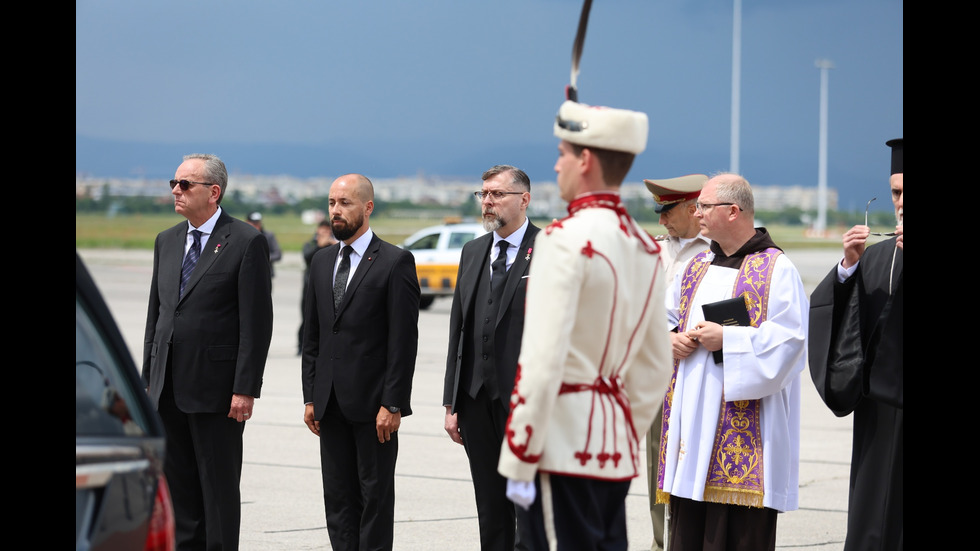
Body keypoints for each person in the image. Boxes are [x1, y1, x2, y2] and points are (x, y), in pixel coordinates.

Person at [497, 99, 673, 550]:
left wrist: (519, 454)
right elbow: (654, 369)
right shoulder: (644, 248)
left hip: (560, 447)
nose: (556, 166)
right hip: (612, 451)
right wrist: (618, 428)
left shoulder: (561, 239)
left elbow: (542, 358)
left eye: (563, 154)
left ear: (586, 160)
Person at [655, 173, 808, 551]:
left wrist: (730, 340)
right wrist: (670, 339)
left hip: (745, 427)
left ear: (733, 211)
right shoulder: (698, 267)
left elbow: (791, 342)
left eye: (705, 206)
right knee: (689, 531)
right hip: (692, 424)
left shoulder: (775, 269)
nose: (698, 213)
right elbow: (663, 317)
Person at [142, 153, 273, 550]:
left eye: (185, 185)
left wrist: (245, 387)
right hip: (167, 391)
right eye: (174, 184)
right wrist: (147, 383)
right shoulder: (166, 241)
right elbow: (157, 316)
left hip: (218, 394)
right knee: (178, 494)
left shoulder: (245, 241)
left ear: (214, 192)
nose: (176, 191)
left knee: (217, 494)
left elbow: (256, 323)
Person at [300, 173, 420, 550]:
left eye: (345, 203)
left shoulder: (394, 262)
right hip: (329, 404)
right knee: (337, 501)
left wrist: (394, 402)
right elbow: (313, 337)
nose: (336, 210)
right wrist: (310, 396)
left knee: (374, 500)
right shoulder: (320, 262)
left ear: (367, 207)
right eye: (332, 203)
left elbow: (404, 341)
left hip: (374, 408)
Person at [807, 138, 903, 550]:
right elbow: (843, 326)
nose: (901, 202)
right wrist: (847, 268)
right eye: (897, 191)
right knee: (873, 517)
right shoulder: (877, 257)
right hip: (879, 416)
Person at [443, 165, 539, 550]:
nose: (487, 202)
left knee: (530, 508)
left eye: (497, 194)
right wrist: (452, 402)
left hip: (526, 402)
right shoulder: (473, 251)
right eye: (483, 194)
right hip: (475, 398)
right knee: (489, 504)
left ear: (524, 200)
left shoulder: (549, 249)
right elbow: (459, 330)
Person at [640, 173, 711, 551]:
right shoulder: (651, 251)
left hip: (703, 374)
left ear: (690, 208)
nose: (661, 221)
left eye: (667, 212)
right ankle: (660, 542)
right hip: (658, 374)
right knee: (658, 465)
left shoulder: (718, 250)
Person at [299, 220, 337, 353]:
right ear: (317, 230)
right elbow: (306, 257)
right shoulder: (310, 244)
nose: (325, 233)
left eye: (328, 230)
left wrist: (333, 245)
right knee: (306, 318)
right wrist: (319, 246)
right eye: (323, 229)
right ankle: (301, 346)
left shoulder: (334, 245)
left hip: (327, 286)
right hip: (309, 286)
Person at [246, 211, 283, 278]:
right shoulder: (243, 236)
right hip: (247, 274)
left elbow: (277, 254)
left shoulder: (268, 236)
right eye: (253, 223)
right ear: (247, 222)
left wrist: (261, 257)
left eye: (258, 223)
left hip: (264, 274)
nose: (256, 225)